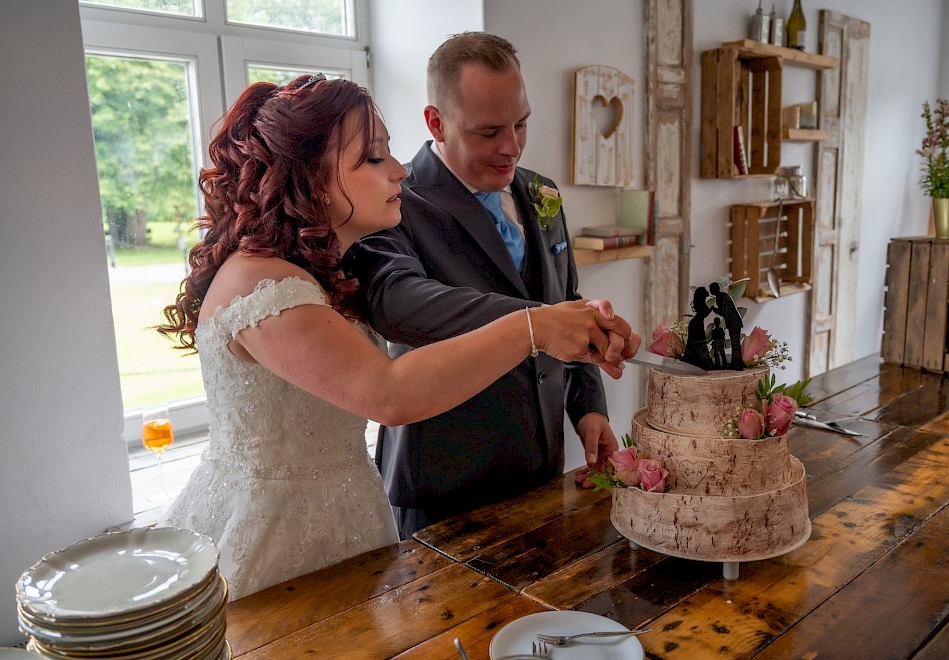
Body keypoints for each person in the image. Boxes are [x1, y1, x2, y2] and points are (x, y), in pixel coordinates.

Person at [155, 74, 638, 600]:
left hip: (346, 518)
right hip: (274, 540)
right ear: (310, 176)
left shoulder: (315, 272)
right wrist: (535, 326)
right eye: (373, 157)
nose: (400, 170)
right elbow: (387, 393)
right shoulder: (262, 282)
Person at [349, 32, 641, 539]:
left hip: (541, 467)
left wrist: (587, 406)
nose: (512, 147)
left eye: (521, 123)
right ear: (436, 123)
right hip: (444, 487)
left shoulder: (540, 190)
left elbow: (565, 300)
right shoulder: (395, 200)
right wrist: (538, 325)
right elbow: (397, 302)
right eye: (488, 133)